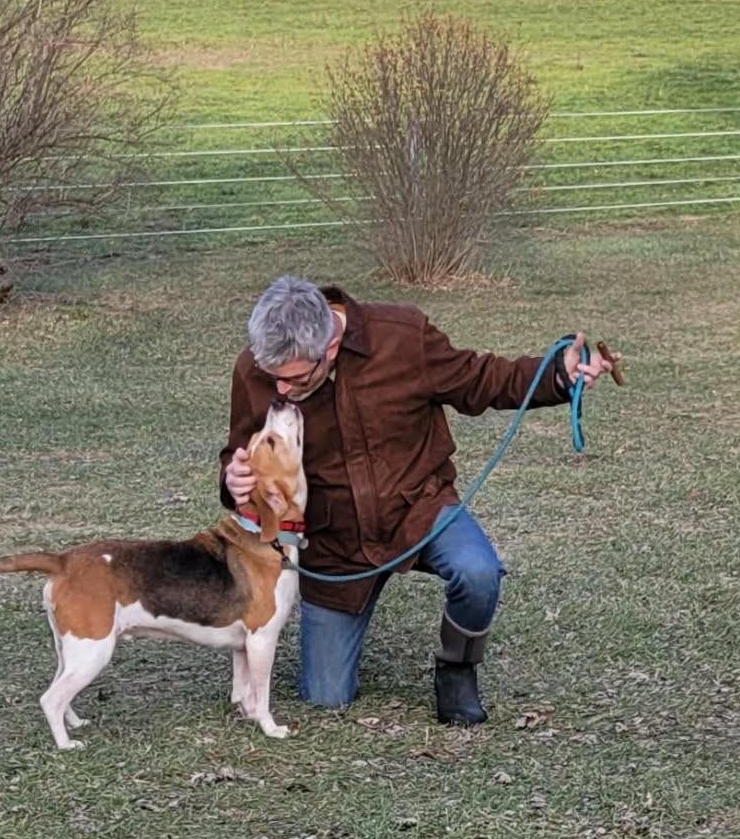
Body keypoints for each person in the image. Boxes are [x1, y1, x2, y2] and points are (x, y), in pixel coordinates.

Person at [221, 276, 615, 725]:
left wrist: (558, 374)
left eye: (292, 379)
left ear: (328, 347)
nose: (281, 391)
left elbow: (483, 380)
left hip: (418, 508)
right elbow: (238, 453)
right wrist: (232, 479)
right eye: (273, 379)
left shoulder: (403, 336)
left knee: (478, 571)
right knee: (325, 697)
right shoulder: (257, 369)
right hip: (336, 547)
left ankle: (457, 668)